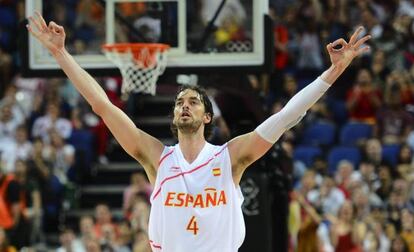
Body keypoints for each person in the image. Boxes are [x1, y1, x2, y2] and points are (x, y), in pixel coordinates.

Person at [27, 12, 371, 252]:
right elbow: (102, 106)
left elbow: (286, 118)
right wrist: (60, 53)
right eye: (179, 102)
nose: (185, 105)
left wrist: (333, 72)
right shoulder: (155, 157)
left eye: (192, 101)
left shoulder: (231, 157)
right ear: (175, 116)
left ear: (207, 116)